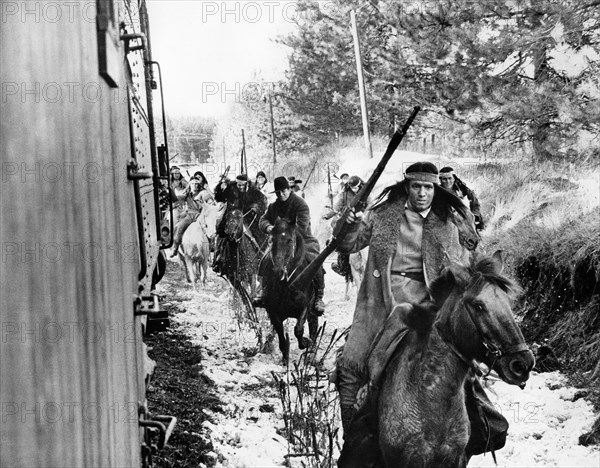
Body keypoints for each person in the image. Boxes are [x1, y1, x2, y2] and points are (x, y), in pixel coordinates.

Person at [334, 162, 480, 437]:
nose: (422, 193)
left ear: (435, 189)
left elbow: (464, 257)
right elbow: (347, 244)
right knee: (352, 365)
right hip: (382, 299)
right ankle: (354, 431)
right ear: (407, 186)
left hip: (430, 303)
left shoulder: (448, 220)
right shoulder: (383, 215)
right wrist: (349, 222)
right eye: (416, 186)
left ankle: (475, 425)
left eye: (428, 187)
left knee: (463, 364)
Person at [255, 176, 326, 315]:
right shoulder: (273, 206)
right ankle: (262, 291)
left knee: (315, 260)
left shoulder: (300, 204)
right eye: (278, 192)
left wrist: (284, 232)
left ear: (289, 189)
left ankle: (319, 296)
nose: (281, 195)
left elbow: (302, 226)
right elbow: (263, 220)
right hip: (280, 242)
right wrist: (268, 227)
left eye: (284, 191)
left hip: (302, 240)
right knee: (265, 259)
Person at [212, 174, 267, 273]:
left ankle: (262, 256)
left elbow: (262, 201)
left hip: (248, 217)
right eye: (239, 185)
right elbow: (219, 197)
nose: (241, 187)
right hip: (232, 216)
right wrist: (220, 187)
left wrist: (256, 207)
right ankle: (219, 259)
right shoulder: (230, 187)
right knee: (223, 234)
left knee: (259, 234)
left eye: (243, 185)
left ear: (247, 184)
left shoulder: (253, 190)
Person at [322, 175, 365, 279]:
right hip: (349, 221)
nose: (355, 189)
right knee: (340, 238)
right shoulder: (345, 194)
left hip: (363, 220)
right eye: (352, 187)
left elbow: (371, 206)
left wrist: (364, 215)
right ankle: (342, 266)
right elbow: (337, 208)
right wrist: (328, 215)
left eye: (356, 187)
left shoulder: (366, 192)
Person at [439, 166, 484, 231]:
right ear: (440, 180)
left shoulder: (464, 191)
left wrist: (474, 216)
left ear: (454, 178)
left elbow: (475, 205)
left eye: (450, 178)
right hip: (446, 224)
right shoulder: (436, 193)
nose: (447, 181)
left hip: (466, 222)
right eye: (444, 179)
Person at [169, 178, 205, 257]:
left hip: (199, 215)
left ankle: (208, 249)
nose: (195, 186)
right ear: (190, 185)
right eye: (193, 184)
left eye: (196, 184)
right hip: (189, 216)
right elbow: (178, 198)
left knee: (207, 230)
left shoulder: (202, 193)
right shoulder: (187, 194)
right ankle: (175, 248)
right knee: (179, 227)